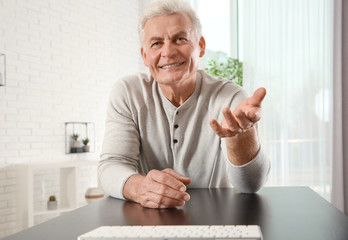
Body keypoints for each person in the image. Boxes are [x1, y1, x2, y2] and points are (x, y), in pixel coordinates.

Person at [99, 0, 270, 209]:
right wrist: (140, 186)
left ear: (201, 46)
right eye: (156, 43)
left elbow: (251, 185)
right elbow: (110, 166)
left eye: (179, 39)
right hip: (148, 223)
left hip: (217, 220)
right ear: (144, 55)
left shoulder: (231, 97)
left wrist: (242, 139)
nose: (168, 52)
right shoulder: (127, 93)